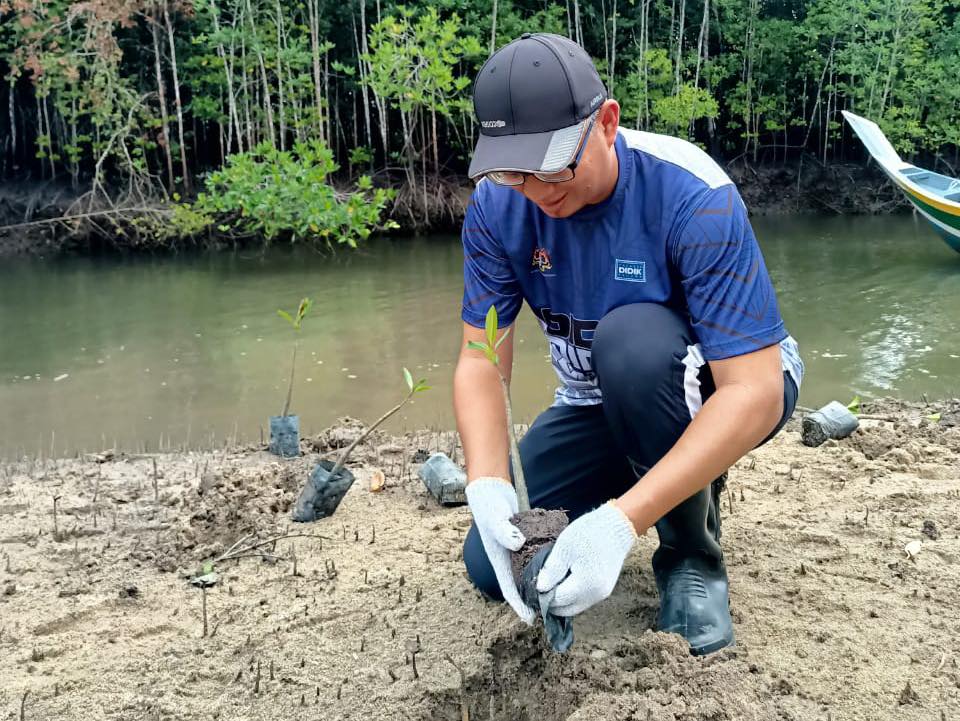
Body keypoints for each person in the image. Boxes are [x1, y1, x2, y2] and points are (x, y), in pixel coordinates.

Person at [455, 32, 804, 656]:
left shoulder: (691, 193)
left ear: (607, 122)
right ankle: (645, 472)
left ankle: (690, 554)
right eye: (516, 171)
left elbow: (754, 390)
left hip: (719, 381)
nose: (537, 189)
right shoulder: (495, 208)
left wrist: (621, 524)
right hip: (595, 400)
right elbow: (481, 361)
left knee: (632, 343)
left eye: (555, 164)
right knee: (492, 563)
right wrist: (487, 481)